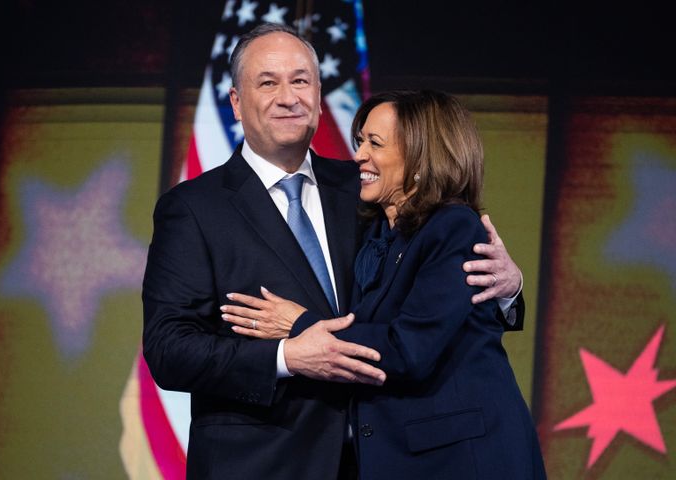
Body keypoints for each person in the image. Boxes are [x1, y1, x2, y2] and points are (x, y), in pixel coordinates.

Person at [143, 22, 525, 480]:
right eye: (268, 82)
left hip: (381, 458)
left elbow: (428, 283)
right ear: (236, 104)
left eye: (301, 80)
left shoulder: (366, 187)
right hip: (261, 463)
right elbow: (169, 349)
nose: (289, 97)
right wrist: (286, 357)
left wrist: (507, 288)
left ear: (319, 95)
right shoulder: (192, 208)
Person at [223, 90, 545, 479]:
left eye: (375, 143)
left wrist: (299, 326)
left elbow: (408, 348)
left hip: (462, 458)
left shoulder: (452, 228)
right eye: (361, 141)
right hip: (401, 456)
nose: (358, 155)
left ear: (422, 159)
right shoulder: (376, 230)